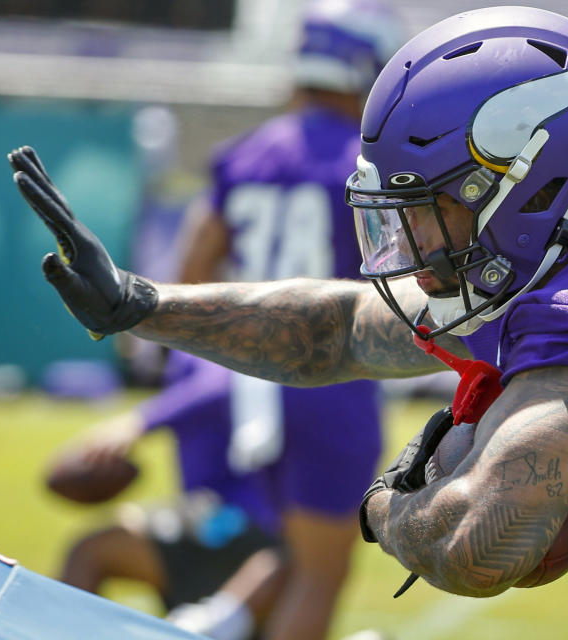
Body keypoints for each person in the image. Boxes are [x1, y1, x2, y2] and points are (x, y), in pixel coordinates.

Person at [9, 5, 568, 639]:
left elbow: (484, 545)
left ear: (536, 178)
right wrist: (145, 304)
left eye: (434, 204)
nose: (408, 236)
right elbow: (337, 328)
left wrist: (383, 507)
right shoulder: (556, 272)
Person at [140, 1, 404, 639]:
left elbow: (193, 270)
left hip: (239, 375)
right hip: (329, 377)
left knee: (258, 550)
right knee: (317, 572)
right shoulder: (367, 165)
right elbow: (403, 279)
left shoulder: (246, 154)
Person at [55, 350, 283, 640]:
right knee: (93, 550)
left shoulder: (201, 334)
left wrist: (138, 422)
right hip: (225, 516)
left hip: (242, 519)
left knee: (91, 551)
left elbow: (217, 383)